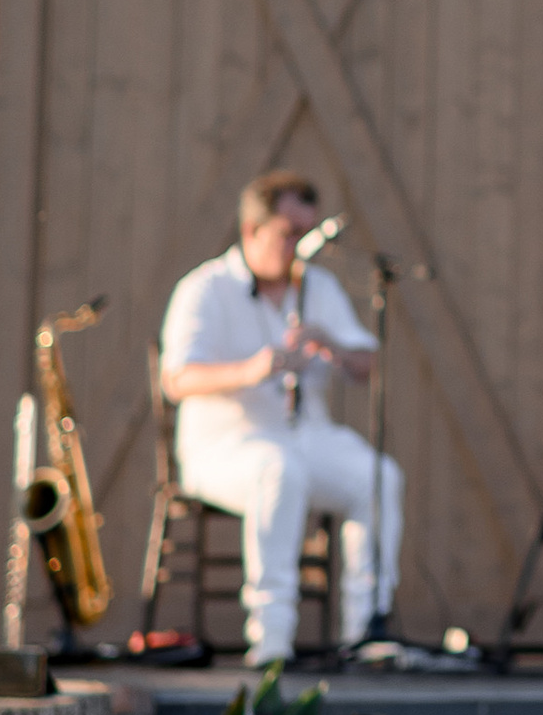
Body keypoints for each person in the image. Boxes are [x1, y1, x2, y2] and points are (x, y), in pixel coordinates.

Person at [158, 174, 400, 670]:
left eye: (307, 234)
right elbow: (177, 379)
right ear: (252, 230)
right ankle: (271, 642)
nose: (299, 248)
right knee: (277, 470)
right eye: (289, 234)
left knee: (379, 477)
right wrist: (251, 370)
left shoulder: (317, 287)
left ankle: (366, 633)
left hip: (305, 435)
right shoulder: (205, 288)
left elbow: (367, 364)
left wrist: (329, 343)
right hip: (225, 443)